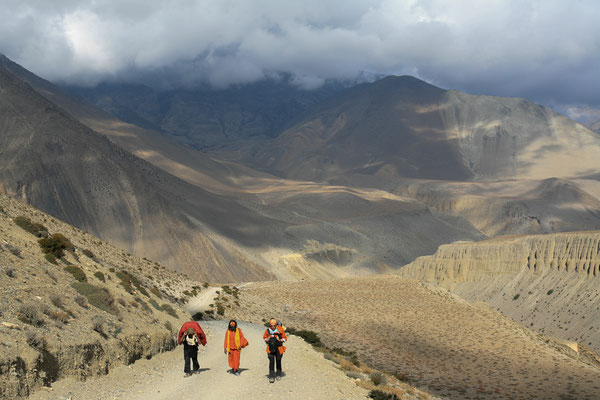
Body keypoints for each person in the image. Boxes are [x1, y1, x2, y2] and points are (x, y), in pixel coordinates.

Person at [263, 318, 287, 383]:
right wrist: (268, 339)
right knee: (271, 361)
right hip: (270, 349)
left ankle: (278, 374)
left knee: (278, 361)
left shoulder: (280, 330)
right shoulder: (267, 331)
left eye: (274, 325)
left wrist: (279, 340)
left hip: (279, 348)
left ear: (276, 325)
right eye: (271, 325)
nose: (272, 326)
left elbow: (285, 338)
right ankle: (271, 376)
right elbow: (264, 338)